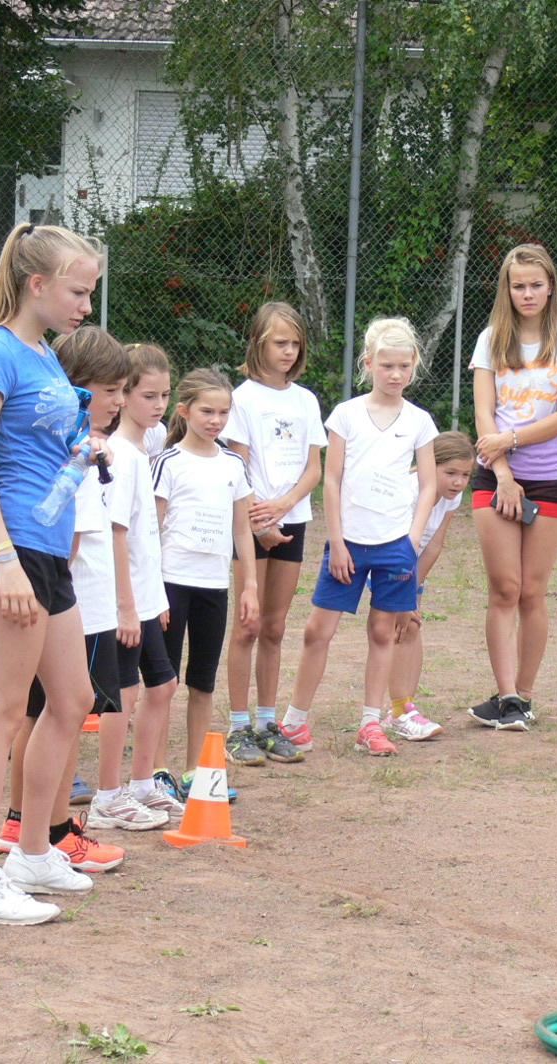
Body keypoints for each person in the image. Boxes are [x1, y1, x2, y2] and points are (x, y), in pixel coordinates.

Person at [0, 222, 104, 925]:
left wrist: (84, 451)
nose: (85, 307)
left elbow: (47, 451)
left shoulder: (44, 354)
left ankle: (34, 852)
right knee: (2, 714)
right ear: (37, 284)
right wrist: (4, 560)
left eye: (90, 292)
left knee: (72, 700)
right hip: (7, 549)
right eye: (77, 292)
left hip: (45, 551)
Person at [0, 328, 140, 871]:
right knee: (58, 712)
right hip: (73, 603)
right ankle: (51, 831)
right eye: (110, 390)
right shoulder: (72, 449)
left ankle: (29, 825)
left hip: (77, 601)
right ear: (75, 389)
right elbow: (67, 539)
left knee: (50, 712)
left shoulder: (82, 443)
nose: (119, 401)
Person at [282, 317, 438, 757]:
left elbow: (428, 484)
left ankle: (371, 722)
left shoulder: (420, 421)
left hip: (395, 547)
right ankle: (294, 722)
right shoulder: (346, 415)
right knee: (318, 630)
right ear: (368, 364)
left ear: (414, 365)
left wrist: (410, 541)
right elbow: (331, 480)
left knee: (382, 632)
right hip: (348, 543)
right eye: (386, 365)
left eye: (404, 366)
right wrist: (337, 541)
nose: (395, 374)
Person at [466, 244, 557, 732]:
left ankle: (525, 694)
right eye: (518, 285)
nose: (527, 293)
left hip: (551, 478)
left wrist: (512, 439)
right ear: (507, 289)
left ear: (551, 286)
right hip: (495, 477)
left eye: (536, 284)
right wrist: (502, 473)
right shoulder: (490, 340)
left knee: (532, 592)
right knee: (505, 589)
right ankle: (506, 697)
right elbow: (484, 414)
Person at [221, 302, 322, 767]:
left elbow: (314, 468)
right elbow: (237, 464)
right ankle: (237, 726)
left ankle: (266, 724)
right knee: (248, 623)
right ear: (259, 343)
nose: (288, 351)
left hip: (291, 519)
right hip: (252, 521)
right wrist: (260, 521)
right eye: (280, 342)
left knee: (275, 627)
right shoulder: (242, 399)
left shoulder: (306, 401)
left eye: (295, 343)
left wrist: (284, 506)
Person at [89, 342, 183, 830]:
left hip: (146, 596)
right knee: (122, 694)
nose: (159, 405)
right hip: (122, 601)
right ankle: (107, 797)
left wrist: (155, 598)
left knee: (163, 685)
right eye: (148, 395)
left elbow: (148, 533)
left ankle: (143, 784)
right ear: (123, 395)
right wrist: (126, 607)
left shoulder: (146, 447)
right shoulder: (120, 455)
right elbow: (116, 533)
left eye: (165, 395)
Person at [150, 368, 260, 786]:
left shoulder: (233, 464)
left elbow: (242, 529)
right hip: (170, 583)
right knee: (163, 681)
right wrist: (151, 590)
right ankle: (157, 769)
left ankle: (196, 770)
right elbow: (152, 528)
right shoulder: (168, 462)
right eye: (206, 411)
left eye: (223, 412)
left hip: (214, 586)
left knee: (203, 682)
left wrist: (249, 585)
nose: (216, 420)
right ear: (184, 411)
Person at [386, 430, 473, 740]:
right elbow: (395, 546)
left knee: (411, 626)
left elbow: (434, 544)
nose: (458, 482)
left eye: (465, 475)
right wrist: (403, 595)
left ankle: (404, 709)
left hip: (413, 567)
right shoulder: (410, 491)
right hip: (388, 562)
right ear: (428, 466)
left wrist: (413, 590)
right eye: (450, 473)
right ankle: (400, 711)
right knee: (396, 629)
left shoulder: (451, 497)